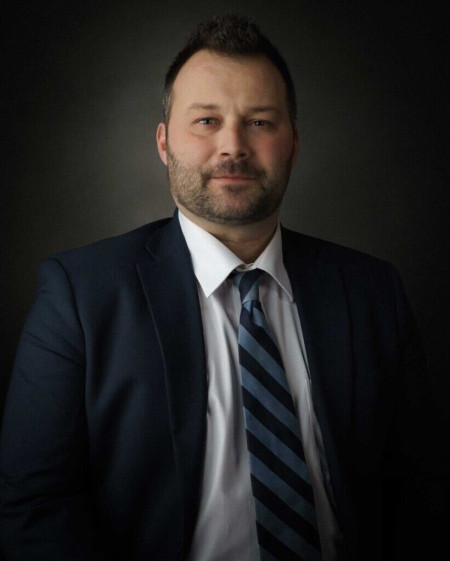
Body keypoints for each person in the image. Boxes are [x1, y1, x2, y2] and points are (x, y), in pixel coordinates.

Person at [0, 14, 447, 561]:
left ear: (294, 144)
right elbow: (35, 506)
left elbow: (423, 493)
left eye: (259, 121)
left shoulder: (372, 292)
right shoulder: (79, 295)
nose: (233, 146)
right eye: (207, 120)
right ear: (164, 143)